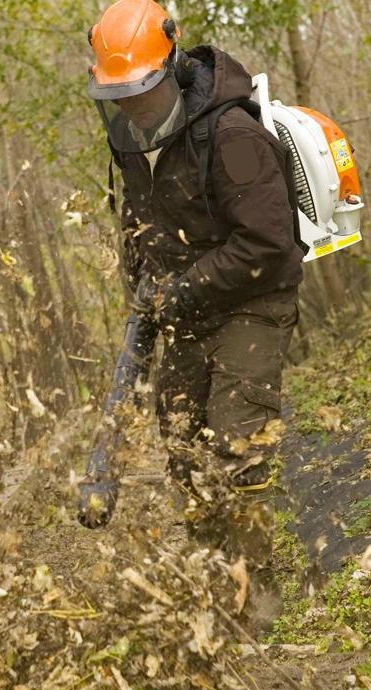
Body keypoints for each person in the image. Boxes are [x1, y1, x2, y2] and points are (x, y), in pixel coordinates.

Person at [86, 0, 305, 630]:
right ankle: (214, 576)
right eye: (119, 94)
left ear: (173, 69)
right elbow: (141, 226)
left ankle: (258, 592)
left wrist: (183, 291)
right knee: (182, 444)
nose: (132, 105)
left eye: (141, 91)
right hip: (185, 303)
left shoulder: (231, 134)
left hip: (253, 297)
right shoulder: (132, 144)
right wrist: (145, 295)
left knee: (237, 439)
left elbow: (268, 243)